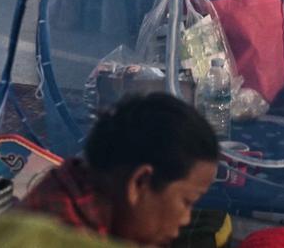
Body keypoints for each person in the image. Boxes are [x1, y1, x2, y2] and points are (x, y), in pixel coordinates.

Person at [21, 93, 219, 246]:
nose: (185, 219)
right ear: (139, 183)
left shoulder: (79, 181)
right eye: (187, 201)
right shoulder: (61, 235)